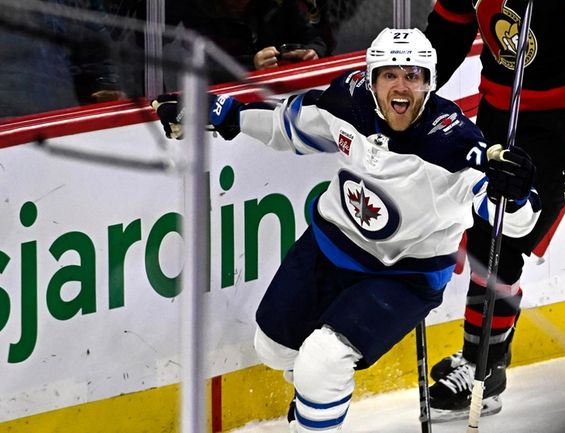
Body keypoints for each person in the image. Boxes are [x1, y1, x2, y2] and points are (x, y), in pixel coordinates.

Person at [153, 28, 540, 432]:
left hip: (404, 275)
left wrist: (513, 194)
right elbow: (290, 126)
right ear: (371, 79)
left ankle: (315, 413)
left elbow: (513, 222)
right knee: (272, 347)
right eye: (390, 75)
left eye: (413, 75)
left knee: (324, 359)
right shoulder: (348, 100)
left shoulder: (456, 145)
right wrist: (219, 113)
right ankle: (313, 398)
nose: (401, 85)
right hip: (329, 248)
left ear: (430, 82)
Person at [422, 0, 565, 421]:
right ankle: (484, 352)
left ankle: (483, 368)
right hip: (497, 112)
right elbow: (449, 29)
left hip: (564, 121)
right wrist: (410, 88)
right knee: (482, 238)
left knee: (503, 240)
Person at [166, 0, 334, 84]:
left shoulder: (276, 7)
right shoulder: (198, 18)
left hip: (286, 92)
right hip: (225, 106)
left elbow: (315, 38)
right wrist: (251, 64)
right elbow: (201, 67)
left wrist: (313, 52)